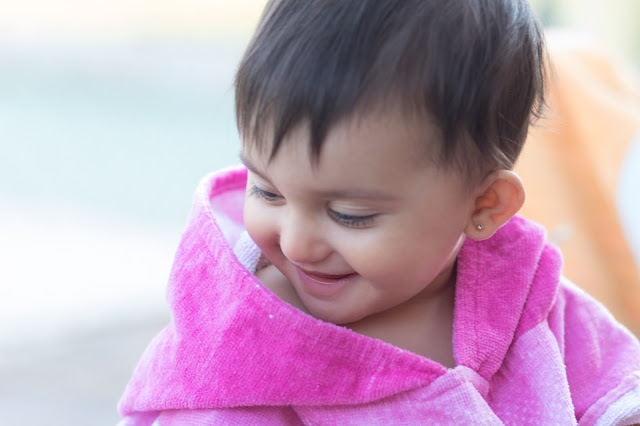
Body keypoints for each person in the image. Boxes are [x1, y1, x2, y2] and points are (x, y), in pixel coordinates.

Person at [118, 0, 640, 424]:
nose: (297, 243)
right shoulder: (241, 347)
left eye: (348, 214)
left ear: (484, 206)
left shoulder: (523, 295)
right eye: (269, 192)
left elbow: (615, 392)